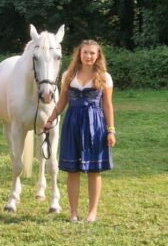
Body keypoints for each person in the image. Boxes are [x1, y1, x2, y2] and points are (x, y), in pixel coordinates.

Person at [44, 40, 116, 223]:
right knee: (72, 170)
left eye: (92, 53)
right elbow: (61, 102)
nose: (89, 56)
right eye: (85, 52)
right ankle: (73, 213)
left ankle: (92, 212)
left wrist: (111, 130)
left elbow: (107, 106)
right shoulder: (69, 75)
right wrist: (51, 119)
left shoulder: (104, 77)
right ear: (79, 54)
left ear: (98, 55)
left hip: (95, 123)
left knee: (94, 170)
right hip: (73, 122)